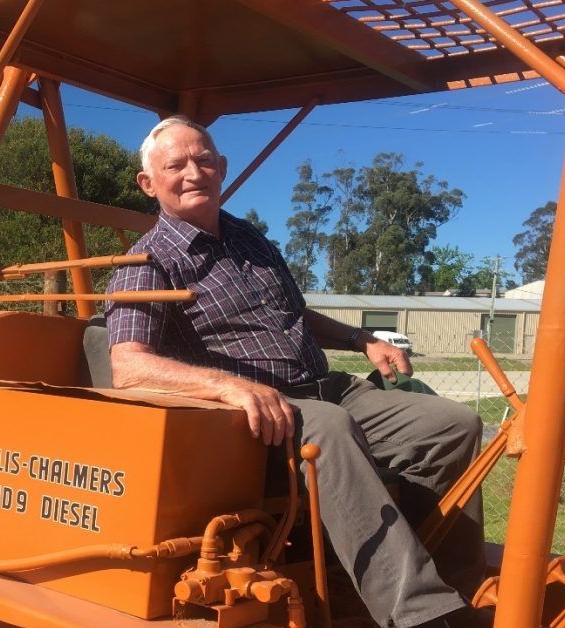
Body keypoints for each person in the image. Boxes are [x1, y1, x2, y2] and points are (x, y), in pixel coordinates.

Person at [105, 116, 484, 628]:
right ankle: (419, 615)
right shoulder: (144, 264)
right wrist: (230, 385)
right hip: (259, 419)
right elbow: (127, 365)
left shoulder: (250, 240)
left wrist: (360, 339)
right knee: (329, 429)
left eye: (204, 160)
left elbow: (292, 313)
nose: (193, 172)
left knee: (452, 425)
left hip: (328, 388)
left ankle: (447, 579)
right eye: (176, 165)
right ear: (149, 184)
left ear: (222, 168)